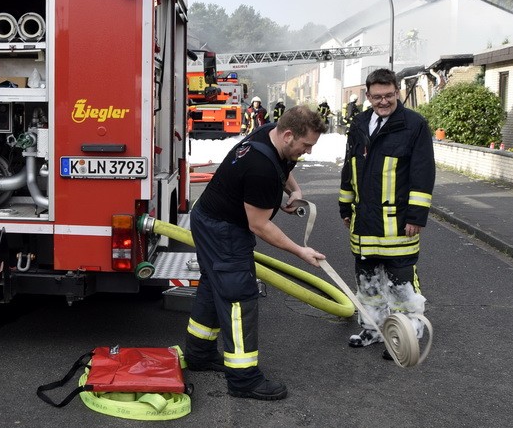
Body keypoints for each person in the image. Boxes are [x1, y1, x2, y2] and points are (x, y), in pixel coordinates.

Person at [185, 105, 327, 400]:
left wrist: (294, 192)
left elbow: (285, 166)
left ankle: (199, 354)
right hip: (224, 229)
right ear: (288, 135)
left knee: (214, 285)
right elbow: (260, 225)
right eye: (306, 145)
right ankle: (244, 379)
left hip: (211, 220)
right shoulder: (260, 168)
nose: (308, 152)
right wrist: (300, 251)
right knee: (239, 297)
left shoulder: (270, 133)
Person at [339, 68, 435, 355]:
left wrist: (416, 216)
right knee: (366, 280)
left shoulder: (414, 125)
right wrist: (345, 204)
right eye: (377, 97)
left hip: (397, 221)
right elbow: (349, 167)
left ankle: (406, 334)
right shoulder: (359, 123)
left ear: (397, 92)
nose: (383, 102)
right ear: (368, 96)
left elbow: (422, 172)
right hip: (365, 221)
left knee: (400, 281)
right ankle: (372, 329)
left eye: (389, 96)